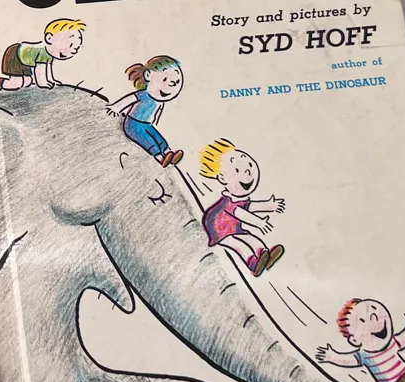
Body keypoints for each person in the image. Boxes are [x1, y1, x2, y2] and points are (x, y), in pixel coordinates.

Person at [197, 139, 285, 275]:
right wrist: (259, 223)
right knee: (239, 245)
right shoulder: (228, 202)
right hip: (218, 230)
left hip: (234, 227)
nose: (248, 172)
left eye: (249, 165)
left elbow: (249, 207)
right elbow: (241, 213)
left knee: (251, 239)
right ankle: (253, 264)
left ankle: (265, 254)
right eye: (237, 170)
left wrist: (269, 205)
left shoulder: (238, 199)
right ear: (222, 178)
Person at [108, 55, 183, 166]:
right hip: (133, 125)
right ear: (148, 75)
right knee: (149, 141)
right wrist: (116, 107)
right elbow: (130, 99)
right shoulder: (143, 95)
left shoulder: (159, 100)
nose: (170, 87)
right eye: (164, 80)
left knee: (159, 139)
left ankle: (169, 153)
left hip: (147, 124)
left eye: (176, 82)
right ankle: (160, 158)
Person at [0, 18, 85, 92]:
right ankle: (1, 83)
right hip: (15, 56)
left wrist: (51, 80)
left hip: (25, 62)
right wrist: (43, 83)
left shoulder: (49, 54)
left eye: (76, 47)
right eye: (70, 45)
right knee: (16, 83)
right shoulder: (43, 52)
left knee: (27, 82)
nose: (73, 50)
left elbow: (47, 68)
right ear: (49, 38)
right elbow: (39, 70)